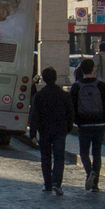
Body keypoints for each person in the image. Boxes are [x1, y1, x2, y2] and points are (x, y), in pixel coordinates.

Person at [28, 67, 74, 196]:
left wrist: (32, 133)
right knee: (59, 157)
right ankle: (56, 183)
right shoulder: (64, 94)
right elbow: (70, 113)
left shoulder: (40, 95)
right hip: (60, 130)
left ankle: (47, 184)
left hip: (45, 130)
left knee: (46, 157)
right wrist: (69, 128)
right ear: (56, 77)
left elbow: (34, 115)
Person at [69, 59, 105, 193]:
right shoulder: (101, 86)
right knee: (97, 153)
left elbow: (71, 106)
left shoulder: (76, 87)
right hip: (99, 123)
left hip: (83, 124)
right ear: (93, 69)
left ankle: (89, 172)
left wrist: (73, 121)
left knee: (83, 152)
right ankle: (95, 184)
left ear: (81, 70)